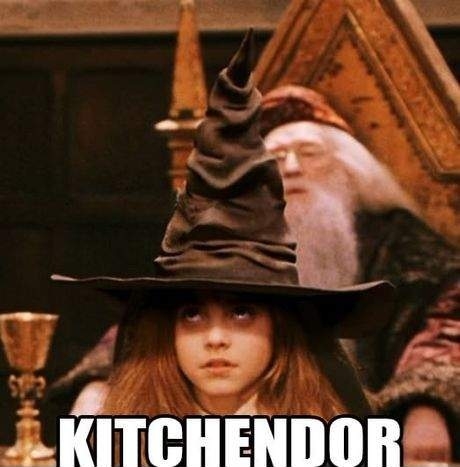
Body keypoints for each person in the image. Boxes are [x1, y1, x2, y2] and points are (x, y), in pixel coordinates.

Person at [52, 31, 392, 422]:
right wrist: (97, 384)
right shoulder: (130, 436)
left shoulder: (390, 240)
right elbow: (136, 333)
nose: (215, 339)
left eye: (242, 312)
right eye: (192, 315)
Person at [260, 84, 460, 462]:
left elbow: (448, 320)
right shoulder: (239, 247)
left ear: (347, 166)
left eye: (309, 153)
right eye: (276, 157)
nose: (292, 168)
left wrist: (426, 402)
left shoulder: (400, 243)